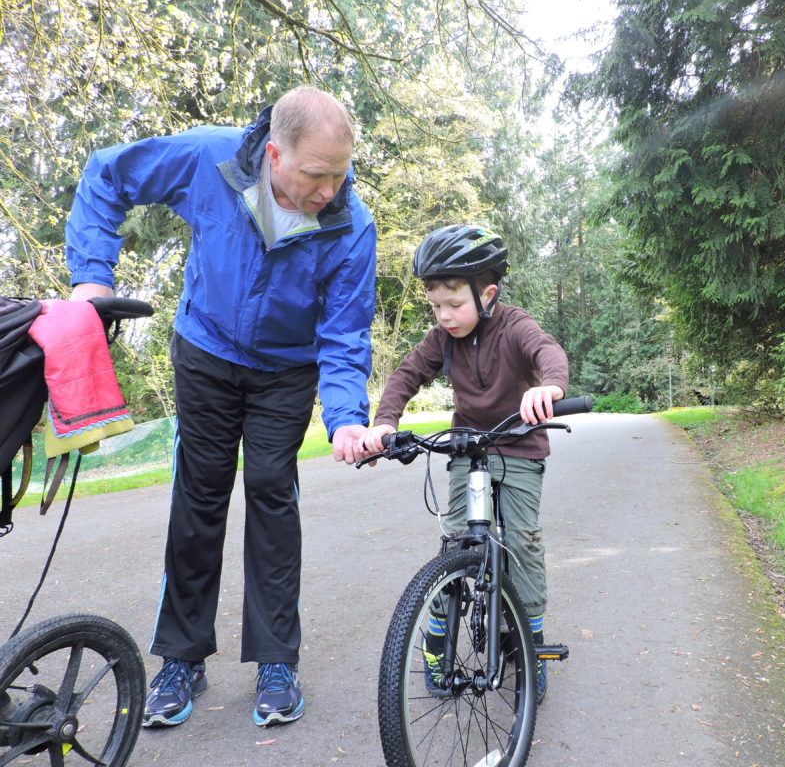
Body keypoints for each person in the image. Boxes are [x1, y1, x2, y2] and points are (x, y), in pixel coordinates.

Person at [64, 86, 376, 727]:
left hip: (287, 371)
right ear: (273, 154)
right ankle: (181, 660)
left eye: (340, 175)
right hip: (205, 350)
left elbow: (344, 335)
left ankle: (275, 664)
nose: (328, 191)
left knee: (269, 487)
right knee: (199, 493)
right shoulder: (209, 158)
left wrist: (346, 418)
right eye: (316, 175)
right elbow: (106, 173)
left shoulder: (352, 224)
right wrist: (93, 276)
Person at [361, 224, 569, 703]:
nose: (444, 315)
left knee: (523, 541)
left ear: (487, 294)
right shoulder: (443, 339)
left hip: (518, 446)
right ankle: (438, 639)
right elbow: (407, 373)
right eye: (436, 305)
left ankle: (530, 644)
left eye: (453, 304)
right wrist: (385, 423)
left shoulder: (515, 325)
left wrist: (550, 386)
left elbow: (547, 350)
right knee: (454, 540)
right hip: (466, 448)